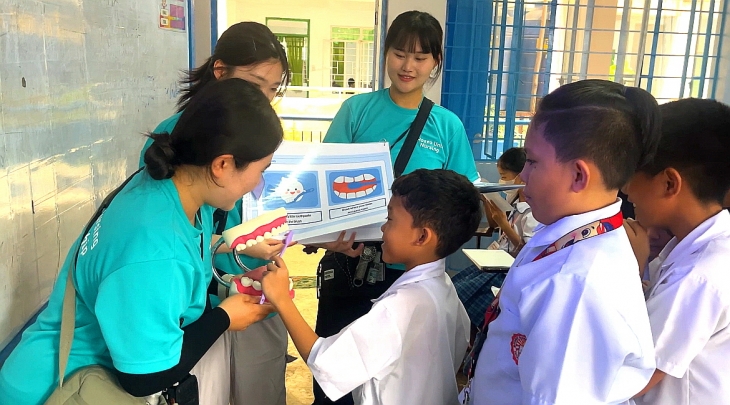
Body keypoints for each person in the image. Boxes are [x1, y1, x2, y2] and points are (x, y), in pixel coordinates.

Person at [0, 79, 282, 405]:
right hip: (59, 391)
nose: (259, 183)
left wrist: (232, 286)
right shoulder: (156, 248)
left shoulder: (169, 189)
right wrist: (224, 318)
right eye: (261, 170)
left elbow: (175, 284)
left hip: (74, 375)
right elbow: (143, 378)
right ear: (222, 165)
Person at [309, 10, 480, 404]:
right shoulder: (357, 111)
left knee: (399, 383)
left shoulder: (447, 126)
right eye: (400, 54)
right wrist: (330, 235)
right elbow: (325, 184)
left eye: (420, 57)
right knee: (333, 383)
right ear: (385, 53)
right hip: (351, 266)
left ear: (435, 62)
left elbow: (460, 204)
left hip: (411, 278)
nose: (408, 66)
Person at [464, 79, 659, 404]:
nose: (523, 176)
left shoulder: (576, 285)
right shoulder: (566, 237)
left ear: (579, 176)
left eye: (532, 162)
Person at [138, 22, 291, 405]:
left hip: (251, 291)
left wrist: (244, 247)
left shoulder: (254, 136)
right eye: (254, 85)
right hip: (201, 309)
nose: (264, 100)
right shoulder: (175, 147)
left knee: (257, 390)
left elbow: (204, 236)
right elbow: (178, 241)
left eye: (273, 89)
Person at [264, 169, 479, 405]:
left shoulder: (399, 307)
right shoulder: (445, 287)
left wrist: (282, 299)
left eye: (390, 219)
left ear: (421, 237)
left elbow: (326, 363)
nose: (383, 229)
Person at [622, 98, 730, 405]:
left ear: (669, 183)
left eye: (633, 173)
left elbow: (633, 377)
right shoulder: (691, 248)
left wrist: (629, 271)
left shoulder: (698, 275)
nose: (626, 189)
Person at [453, 147, 538, 330]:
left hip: (504, 270)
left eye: (504, 176)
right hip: (492, 261)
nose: (502, 181)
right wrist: (487, 200)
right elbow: (494, 225)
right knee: (453, 287)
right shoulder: (513, 200)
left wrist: (505, 225)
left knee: (462, 294)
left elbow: (527, 251)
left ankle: (471, 335)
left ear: (521, 177)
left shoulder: (533, 212)